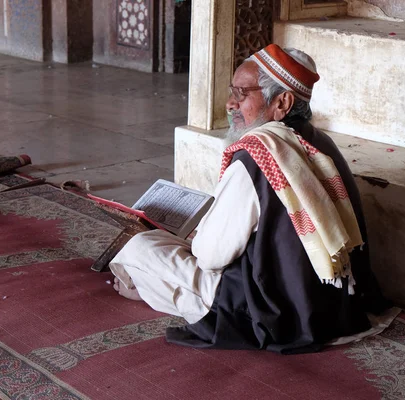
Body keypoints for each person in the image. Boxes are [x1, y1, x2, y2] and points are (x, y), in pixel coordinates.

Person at [109, 44, 390, 354]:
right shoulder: (319, 142)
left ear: (282, 103)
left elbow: (210, 258)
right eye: (233, 92)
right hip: (333, 304)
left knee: (139, 248)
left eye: (242, 95)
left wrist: (197, 238)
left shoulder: (259, 155)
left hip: (270, 310)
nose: (231, 104)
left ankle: (140, 286)